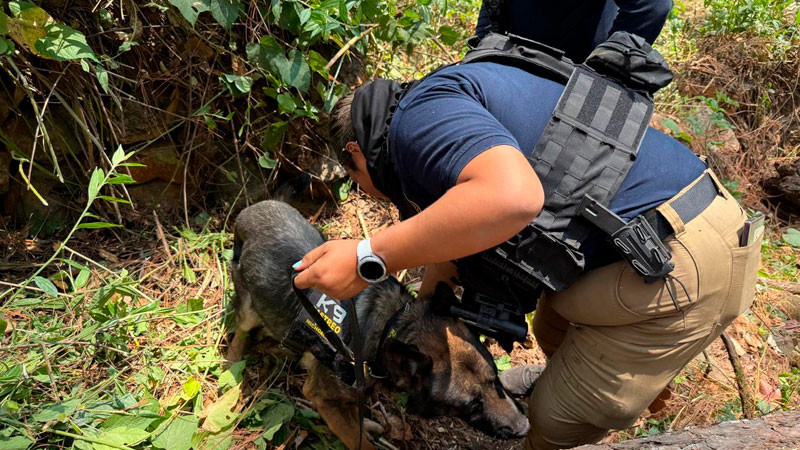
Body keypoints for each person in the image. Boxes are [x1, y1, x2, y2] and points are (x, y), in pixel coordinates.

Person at [291, 55, 761, 448]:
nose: (366, 193)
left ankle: (596, 399)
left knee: (549, 423)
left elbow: (513, 198)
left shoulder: (413, 128)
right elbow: (460, 227)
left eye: (355, 180)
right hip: (675, 226)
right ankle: (597, 375)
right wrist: (429, 311)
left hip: (684, 258)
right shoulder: (440, 98)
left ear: (356, 151)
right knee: (553, 321)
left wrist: (368, 256)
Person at [475, 0, 674, 62]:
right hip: (509, 60)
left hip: (569, 77)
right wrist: (481, 46)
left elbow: (652, 7)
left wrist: (604, 76)